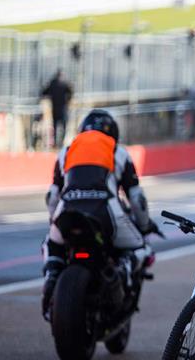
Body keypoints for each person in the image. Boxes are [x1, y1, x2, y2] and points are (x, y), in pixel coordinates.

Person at [40, 109, 154, 320]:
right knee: (140, 247)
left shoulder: (66, 151)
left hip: (67, 212)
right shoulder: (117, 151)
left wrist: (53, 221)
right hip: (105, 213)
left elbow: (52, 196)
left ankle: (51, 276)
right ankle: (119, 273)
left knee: (52, 243)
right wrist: (145, 225)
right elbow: (136, 198)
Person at [41, 69, 74, 148]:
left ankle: (55, 142)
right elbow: (71, 92)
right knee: (64, 126)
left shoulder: (53, 83)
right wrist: (68, 100)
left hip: (55, 108)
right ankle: (61, 142)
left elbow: (44, 93)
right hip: (63, 108)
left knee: (55, 126)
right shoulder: (65, 83)